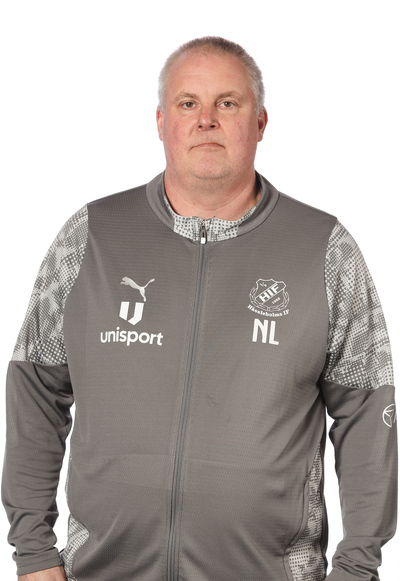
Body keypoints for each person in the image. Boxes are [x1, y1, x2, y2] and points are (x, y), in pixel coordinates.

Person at [2, 36, 397, 581]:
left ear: (260, 122)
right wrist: (34, 550)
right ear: (161, 122)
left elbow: (368, 412)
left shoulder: (324, 249)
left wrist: (357, 567)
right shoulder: (91, 237)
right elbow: (35, 388)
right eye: (188, 103)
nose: (206, 120)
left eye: (227, 103)